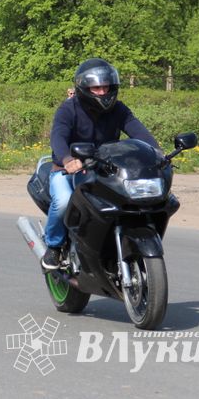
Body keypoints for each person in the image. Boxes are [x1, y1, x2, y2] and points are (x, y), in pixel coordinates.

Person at [41, 58, 160, 270]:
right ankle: (54, 247)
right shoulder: (69, 109)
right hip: (68, 170)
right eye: (96, 88)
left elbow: (138, 131)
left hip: (104, 168)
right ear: (84, 88)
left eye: (105, 87)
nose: (102, 92)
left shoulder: (119, 109)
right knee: (64, 200)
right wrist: (67, 160)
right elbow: (58, 137)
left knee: (126, 200)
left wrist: (156, 152)